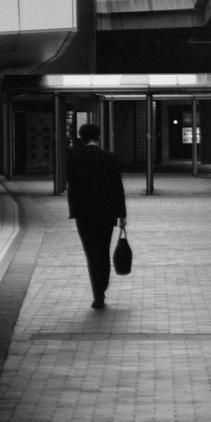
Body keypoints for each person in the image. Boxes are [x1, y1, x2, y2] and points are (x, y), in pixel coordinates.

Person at [67, 123, 127, 309]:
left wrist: (74, 210)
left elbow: (72, 188)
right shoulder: (109, 158)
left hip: (84, 214)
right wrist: (121, 214)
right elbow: (117, 187)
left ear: (81, 137)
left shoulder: (74, 157)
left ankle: (98, 294)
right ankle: (103, 284)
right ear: (99, 137)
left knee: (90, 252)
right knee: (103, 250)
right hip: (106, 213)